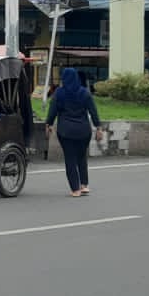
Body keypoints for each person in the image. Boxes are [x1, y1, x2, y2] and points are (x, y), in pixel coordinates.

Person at [46, 67, 102, 198]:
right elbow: (93, 111)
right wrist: (98, 127)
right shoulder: (85, 92)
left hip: (66, 132)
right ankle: (84, 185)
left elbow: (53, 110)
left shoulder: (59, 93)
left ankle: (75, 189)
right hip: (83, 131)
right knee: (82, 157)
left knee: (70, 158)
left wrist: (48, 124)